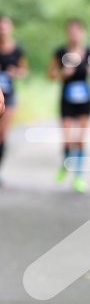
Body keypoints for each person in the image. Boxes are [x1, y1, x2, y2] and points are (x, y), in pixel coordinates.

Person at [48, 19, 90, 192]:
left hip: (85, 100)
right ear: (67, 34)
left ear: (82, 33)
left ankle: (78, 177)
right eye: (71, 32)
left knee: (79, 139)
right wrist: (63, 74)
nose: (74, 35)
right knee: (67, 140)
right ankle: (66, 163)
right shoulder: (60, 52)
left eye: (77, 31)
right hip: (66, 100)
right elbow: (50, 74)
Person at [0, 15, 28, 184]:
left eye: (5, 26)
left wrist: (15, 72)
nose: (3, 29)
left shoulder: (18, 50)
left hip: (8, 96)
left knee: (2, 133)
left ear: (11, 28)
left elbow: (24, 71)